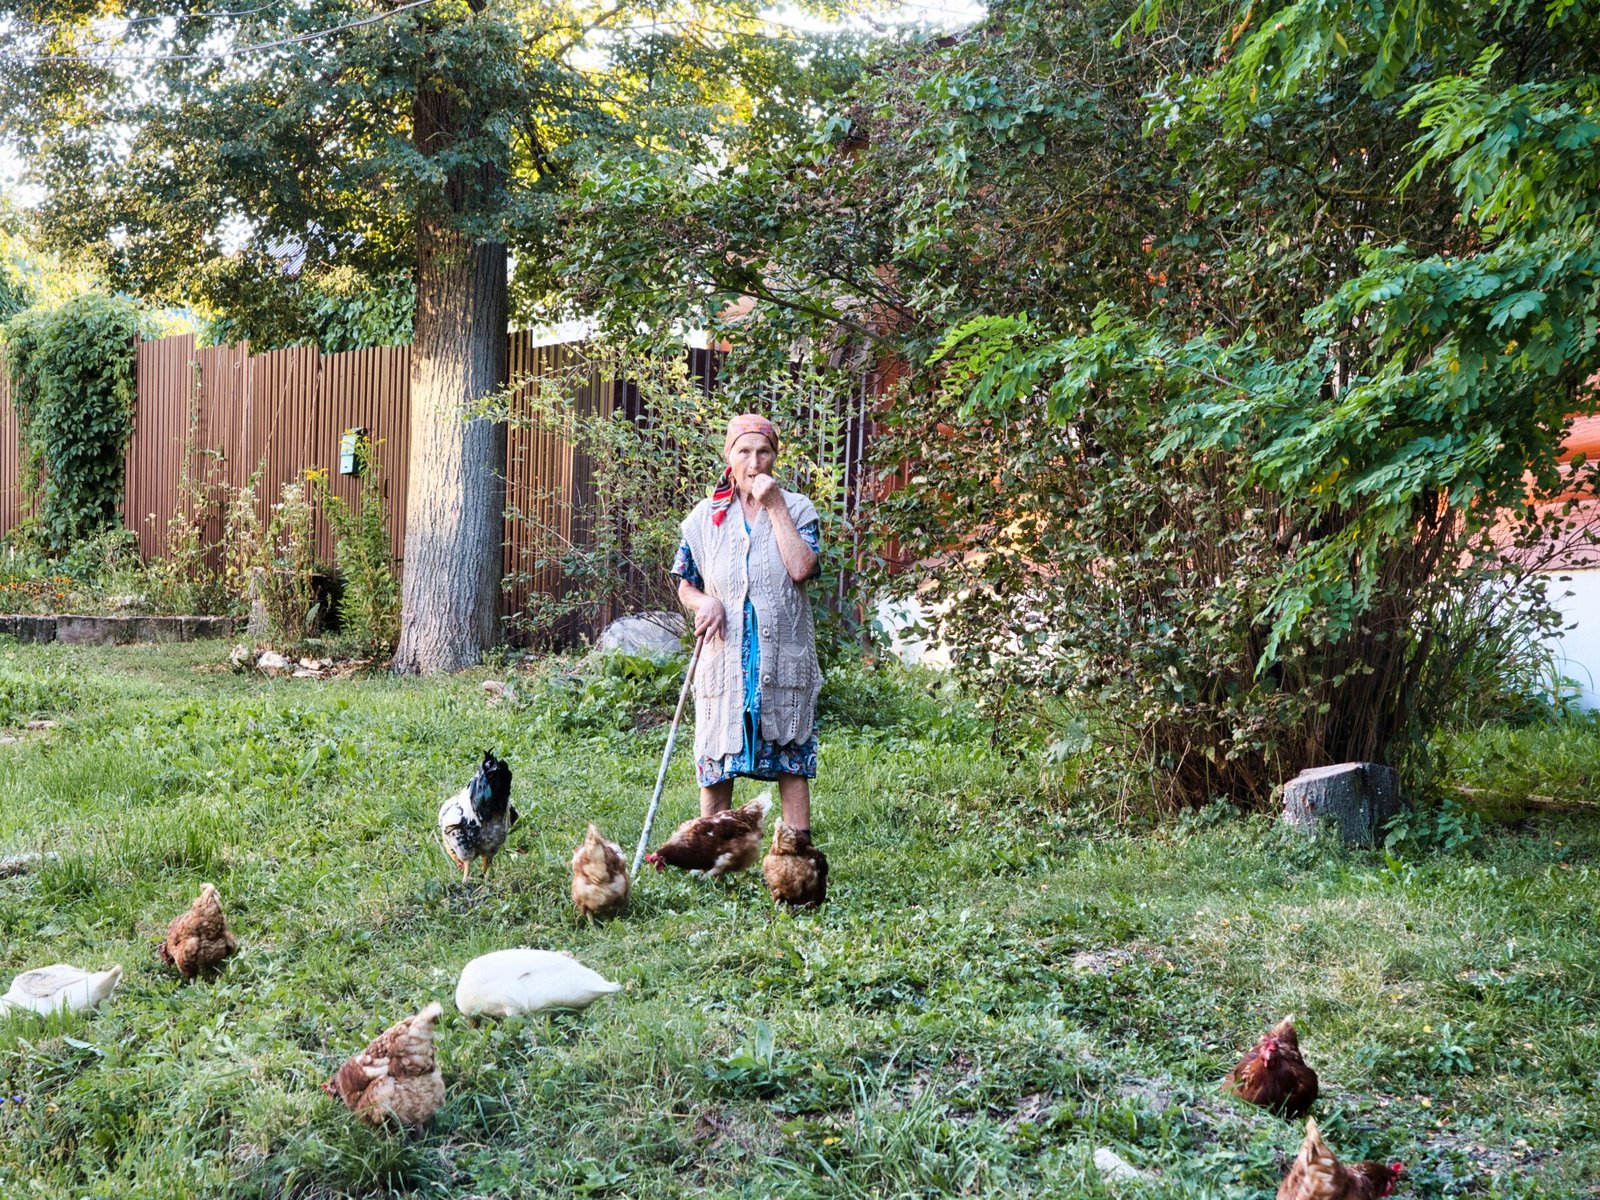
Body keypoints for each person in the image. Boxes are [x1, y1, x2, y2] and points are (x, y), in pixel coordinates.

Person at [672, 413, 823, 837]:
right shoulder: (704, 518)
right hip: (725, 659)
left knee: (792, 757)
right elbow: (686, 585)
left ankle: (797, 854)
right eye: (744, 451)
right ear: (728, 456)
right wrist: (706, 603)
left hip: (782, 660)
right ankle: (713, 856)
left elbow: (800, 568)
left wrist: (774, 506)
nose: (753, 461)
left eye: (763, 452)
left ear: (775, 458)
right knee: (718, 760)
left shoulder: (797, 509)